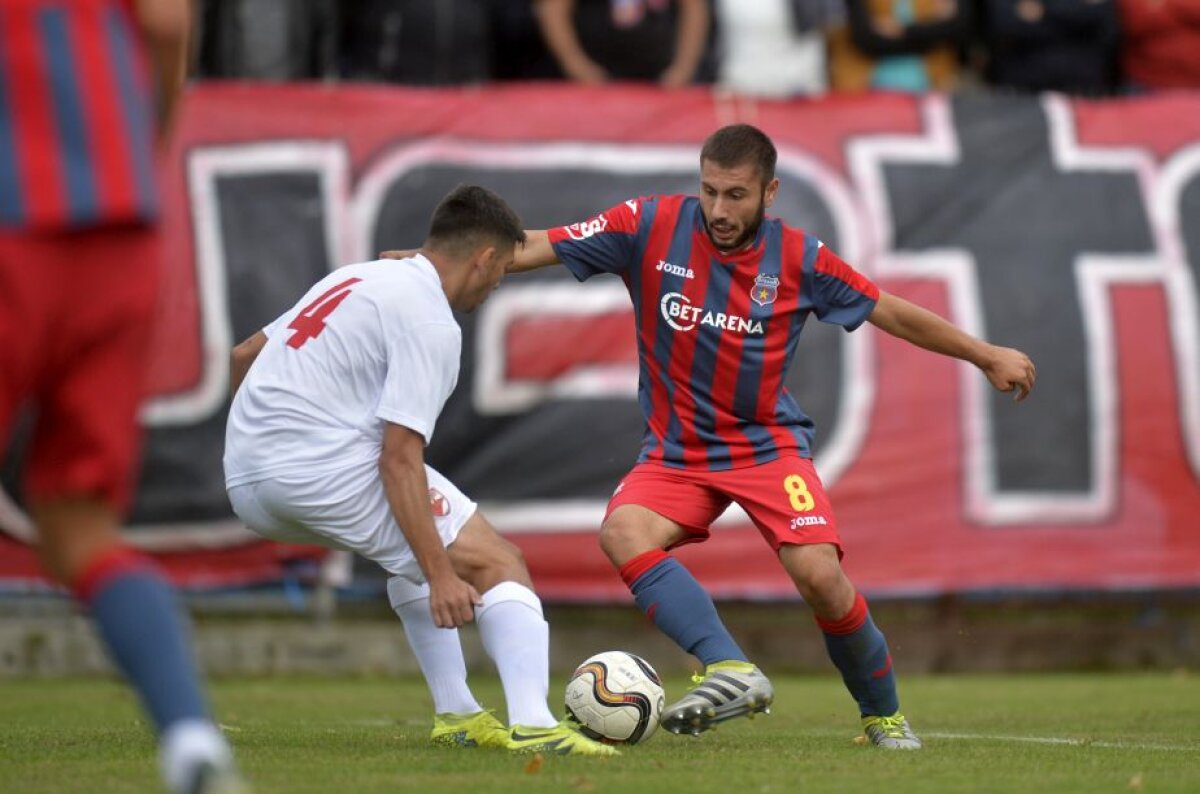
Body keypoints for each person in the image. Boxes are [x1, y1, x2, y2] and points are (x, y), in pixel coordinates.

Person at [389, 125, 1036, 748]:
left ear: (769, 194)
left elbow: (889, 309)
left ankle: (884, 717)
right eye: (709, 191)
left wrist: (983, 354)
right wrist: (430, 266)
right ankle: (730, 669)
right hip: (677, 454)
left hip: (765, 446)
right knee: (622, 532)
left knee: (820, 576)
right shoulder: (647, 224)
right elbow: (532, 244)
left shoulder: (800, 259)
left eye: (736, 195)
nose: (719, 209)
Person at [223, 185, 616, 758]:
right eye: (502, 271)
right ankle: (536, 726)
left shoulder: (353, 277)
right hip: (316, 469)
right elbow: (398, 456)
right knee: (494, 560)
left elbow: (243, 355)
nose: (497, 284)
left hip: (244, 475)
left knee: (417, 543)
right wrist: (441, 577)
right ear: (483, 258)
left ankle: (457, 714)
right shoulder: (432, 322)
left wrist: (261, 454)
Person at [0, 1, 247, 792]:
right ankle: (188, 739)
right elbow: (169, 24)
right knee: (80, 521)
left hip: (11, 223)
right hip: (121, 230)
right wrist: (143, 151)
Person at [533, 0, 711, 87]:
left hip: (660, 79)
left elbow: (694, 9)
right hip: (594, 79)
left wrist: (683, 69)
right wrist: (577, 66)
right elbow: (553, 10)